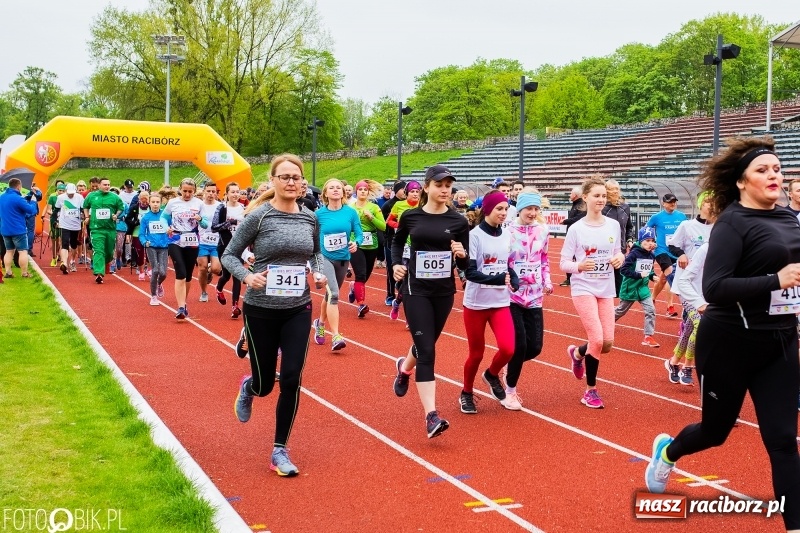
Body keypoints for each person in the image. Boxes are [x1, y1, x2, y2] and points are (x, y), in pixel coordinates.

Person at [645, 137, 800, 533]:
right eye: (762, 170)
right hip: (729, 344)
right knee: (715, 432)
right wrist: (774, 280)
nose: (773, 175)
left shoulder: (788, 219)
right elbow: (714, 289)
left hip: (779, 342)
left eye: (777, 169)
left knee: (783, 442)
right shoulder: (732, 223)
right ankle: (669, 451)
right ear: (742, 182)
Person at [222, 154, 326, 477]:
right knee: (267, 384)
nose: (291, 182)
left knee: (292, 378)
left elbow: (315, 253)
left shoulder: (310, 218)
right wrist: (247, 277)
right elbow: (228, 255)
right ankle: (250, 387)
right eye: (285, 177)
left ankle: (280, 449)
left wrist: (319, 273)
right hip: (260, 309)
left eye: (296, 177)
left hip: (298, 307)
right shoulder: (259, 217)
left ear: (302, 181)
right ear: (274, 181)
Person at [392, 165, 469, 438]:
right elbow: (397, 242)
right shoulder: (411, 216)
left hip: (443, 292)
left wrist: (461, 254)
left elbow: (466, 259)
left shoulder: (459, 221)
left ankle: (403, 369)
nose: (445, 189)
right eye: (439, 184)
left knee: (426, 344)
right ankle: (431, 416)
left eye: (448, 185)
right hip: (416, 290)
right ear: (426, 187)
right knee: (427, 351)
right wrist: (396, 266)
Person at [560, 176, 625, 409]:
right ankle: (590, 391)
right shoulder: (576, 229)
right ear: (585, 197)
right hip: (583, 287)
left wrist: (620, 258)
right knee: (596, 339)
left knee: (607, 343)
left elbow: (619, 252)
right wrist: (578, 266)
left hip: (606, 288)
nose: (600, 200)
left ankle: (577, 353)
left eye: (603, 196)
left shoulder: (613, 225)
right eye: (596, 195)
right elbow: (564, 263)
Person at [460, 190, 519, 414]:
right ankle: (466, 392)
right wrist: (497, 279)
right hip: (476, 303)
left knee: (508, 349)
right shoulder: (474, 235)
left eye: (506, 209)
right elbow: (470, 273)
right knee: (476, 353)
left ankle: (491, 375)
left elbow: (507, 264)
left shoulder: (506, 235)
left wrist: (513, 278)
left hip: (500, 302)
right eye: (499, 209)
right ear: (487, 210)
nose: (504, 213)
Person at [505, 191, 552, 409]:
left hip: (534, 296)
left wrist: (547, 280)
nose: (532, 213)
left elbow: (544, 258)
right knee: (520, 345)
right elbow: (503, 260)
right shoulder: (508, 231)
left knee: (535, 348)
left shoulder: (543, 231)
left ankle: (506, 366)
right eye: (528, 209)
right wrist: (506, 278)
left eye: (536, 209)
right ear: (520, 209)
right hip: (512, 296)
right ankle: (510, 391)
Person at [664, 193, 716, 385]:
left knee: (689, 327)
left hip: (706, 285)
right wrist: (682, 254)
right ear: (701, 204)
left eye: (715, 203)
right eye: (709, 202)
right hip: (685, 284)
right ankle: (688, 366)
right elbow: (672, 245)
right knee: (699, 324)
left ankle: (673, 361)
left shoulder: (719, 229)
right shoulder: (687, 226)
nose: (712, 206)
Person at [312, 179, 363, 351]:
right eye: (331, 188)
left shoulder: (351, 212)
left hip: (343, 259)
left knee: (329, 296)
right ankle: (335, 335)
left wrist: (356, 243)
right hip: (324, 258)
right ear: (325, 193)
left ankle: (320, 322)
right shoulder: (318, 215)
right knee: (334, 294)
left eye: (338, 188)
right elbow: (312, 237)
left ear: (343, 193)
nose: (335, 190)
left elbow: (359, 233)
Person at [163, 178, 206, 319]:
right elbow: (163, 218)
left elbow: (206, 224)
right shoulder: (173, 202)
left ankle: (184, 302)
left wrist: (200, 219)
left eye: (190, 191)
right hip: (175, 239)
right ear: (180, 189)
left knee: (188, 275)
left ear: (194, 191)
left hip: (192, 241)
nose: (187, 194)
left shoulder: (199, 203)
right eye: (185, 191)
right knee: (180, 272)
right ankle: (181, 307)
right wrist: (166, 228)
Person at [613, 227, 659, 347]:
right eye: (647, 240)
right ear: (641, 240)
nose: (650, 243)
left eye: (652, 241)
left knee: (651, 310)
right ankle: (606, 322)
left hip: (643, 289)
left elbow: (649, 270)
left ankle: (648, 336)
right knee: (620, 311)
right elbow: (623, 270)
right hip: (630, 287)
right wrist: (638, 275)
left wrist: (652, 276)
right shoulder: (633, 254)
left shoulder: (651, 256)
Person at [348, 179, 386, 318]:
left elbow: (383, 226)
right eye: (360, 189)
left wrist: (372, 218)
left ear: (368, 192)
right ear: (356, 192)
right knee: (361, 274)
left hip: (372, 244)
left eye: (365, 190)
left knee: (365, 277)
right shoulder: (350, 208)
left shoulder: (374, 208)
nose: (363, 191)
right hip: (355, 244)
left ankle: (354, 287)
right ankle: (361, 304)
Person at [646, 194, 687, 317]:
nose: (672, 204)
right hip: (661, 251)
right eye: (670, 202)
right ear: (663, 203)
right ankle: (670, 306)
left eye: (674, 201)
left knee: (663, 278)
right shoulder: (656, 217)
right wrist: (650, 243)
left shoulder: (681, 216)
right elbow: (646, 231)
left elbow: (686, 232)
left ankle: (652, 298)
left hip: (676, 251)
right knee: (671, 274)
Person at [386, 181, 422, 321]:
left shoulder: (423, 207)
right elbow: (389, 221)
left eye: (417, 191)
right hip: (404, 246)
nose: (415, 194)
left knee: (413, 280)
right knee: (406, 278)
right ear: (407, 193)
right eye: (412, 191)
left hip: (419, 246)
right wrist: (401, 226)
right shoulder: (399, 205)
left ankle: (400, 305)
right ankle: (401, 304)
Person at [212, 182, 247, 318]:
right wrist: (229, 223)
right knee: (226, 275)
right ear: (226, 194)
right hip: (224, 246)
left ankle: (235, 306)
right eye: (232, 192)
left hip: (239, 246)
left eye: (237, 192)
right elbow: (214, 227)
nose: (235, 194)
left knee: (237, 276)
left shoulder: (244, 208)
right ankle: (219, 288)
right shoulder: (222, 208)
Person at [83, 178, 125, 284]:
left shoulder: (114, 197)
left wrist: (116, 215)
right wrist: (87, 217)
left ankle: (105, 263)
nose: (107, 186)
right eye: (105, 184)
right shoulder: (91, 196)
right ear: (99, 185)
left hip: (110, 229)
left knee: (109, 251)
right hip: (96, 229)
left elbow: (121, 207)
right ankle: (98, 273)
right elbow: (85, 206)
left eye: (108, 184)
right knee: (98, 250)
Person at [0, 179, 39, 278]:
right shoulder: (18, 198)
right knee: (23, 251)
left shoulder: (2, 197)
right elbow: (31, 210)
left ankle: (8, 272)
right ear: (18, 187)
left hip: (5, 229)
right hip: (18, 230)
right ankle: (24, 273)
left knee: (9, 251)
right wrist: (34, 200)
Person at [602, 179, 635, 296]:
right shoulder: (602, 208)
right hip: (603, 250)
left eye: (617, 189)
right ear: (606, 190)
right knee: (604, 282)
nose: (615, 191)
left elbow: (629, 226)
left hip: (620, 250)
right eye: (612, 189)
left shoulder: (625, 208)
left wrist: (629, 240)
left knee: (619, 285)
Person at [139, 194, 169, 305]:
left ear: (160, 203)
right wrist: (144, 242)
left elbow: (171, 228)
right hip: (151, 246)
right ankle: (153, 296)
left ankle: (159, 284)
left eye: (157, 202)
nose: (155, 204)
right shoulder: (146, 217)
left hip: (164, 247)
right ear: (149, 203)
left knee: (163, 273)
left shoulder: (165, 216)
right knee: (155, 270)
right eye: (153, 202)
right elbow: (141, 234)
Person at [196, 182, 222, 303]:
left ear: (216, 193)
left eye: (213, 192)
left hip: (216, 241)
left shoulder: (221, 206)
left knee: (217, 269)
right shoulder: (199, 205)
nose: (211, 194)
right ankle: (204, 292)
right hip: (202, 241)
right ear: (204, 191)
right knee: (202, 268)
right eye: (209, 191)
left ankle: (210, 272)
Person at [381, 181, 406, 306]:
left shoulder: (410, 204)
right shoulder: (388, 205)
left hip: (407, 243)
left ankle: (402, 288)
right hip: (391, 241)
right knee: (391, 270)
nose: (405, 191)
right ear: (396, 191)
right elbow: (384, 224)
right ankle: (390, 295)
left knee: (406, 269)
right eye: (402, 189)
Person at [54, 183, 85, 274]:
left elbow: (83, 209)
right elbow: (56, 210)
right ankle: (64, 263)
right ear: (66, 191)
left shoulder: (79, 197)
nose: (70, 195)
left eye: (72, 193)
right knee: (65, 243)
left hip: (76, 225)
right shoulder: (61, 198)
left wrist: (84, 216)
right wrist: (55, 221)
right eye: (69, 193)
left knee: (74, 244)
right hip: (64, 224)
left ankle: (72, 261)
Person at [560, 186, 586, 287]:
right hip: (572, 234)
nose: (570, 195)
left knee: (574, 256)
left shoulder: (581, 205)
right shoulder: (576, 204)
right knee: (571, 256)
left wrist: (565, 221)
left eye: (571, 193)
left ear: (575, 195)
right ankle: (569, 278)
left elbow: (578, 218)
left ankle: (572, 278)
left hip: (578, 235)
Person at [124, 190, 151, 280]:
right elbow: (127, 219)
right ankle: (141, 271)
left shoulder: (151, 208)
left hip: (150, 233)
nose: (144, 201)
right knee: (140, 252)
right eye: (142, 199)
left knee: (150, 252)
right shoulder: (134, 208)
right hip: (137, 232)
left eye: (146, 199)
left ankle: (149, 269)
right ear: (139, 199)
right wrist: (135, 222)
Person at [45, 181, 66, 267]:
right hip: (54, 220)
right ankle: (54, 257)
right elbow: (48, 210)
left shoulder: (67, 199)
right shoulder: (52, 198)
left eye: (63, 191)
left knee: (62, 239)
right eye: (59, 190)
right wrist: (53, 213)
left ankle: (62, 258)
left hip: (64, 221)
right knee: (55, 239)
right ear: (56, 190)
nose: (61, 192)